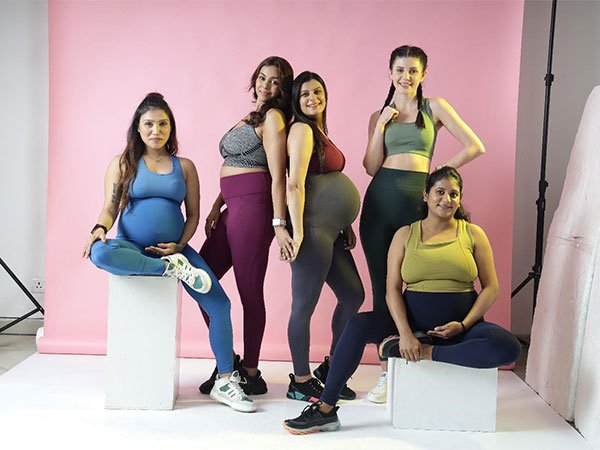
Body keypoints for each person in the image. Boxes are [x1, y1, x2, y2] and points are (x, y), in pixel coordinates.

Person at [283, 167, 521, 434]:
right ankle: (326, 410)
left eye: (454, 194)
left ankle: (429, 351)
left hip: (461, 327)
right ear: (426, 195)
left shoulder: (473, 234)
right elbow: (393, 290)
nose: (447, 199)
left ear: (460, 199)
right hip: (411, 324)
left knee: (508, 346)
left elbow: (491, 288)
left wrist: (463, 325)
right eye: (440, 192)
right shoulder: (405, 234)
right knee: (357, 324)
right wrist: (406, 334)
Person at [83, 92, 256, 413]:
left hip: (177, 250)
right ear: (137, 128)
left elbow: (193, 215)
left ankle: (224, 380)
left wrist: (178, 245)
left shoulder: (185, 167)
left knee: (220, 304)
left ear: (171, 128)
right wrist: (99, 228)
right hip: (132, 246)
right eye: (149, 124)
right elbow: (110, 207)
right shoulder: (123, 164)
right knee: (100, 253)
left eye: (163, 124)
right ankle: (166, 269)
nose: (156, 130)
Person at [360, 45, 486, 403]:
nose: (406, 76)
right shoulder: (379, 115)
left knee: (417, 284)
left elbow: (475, 145)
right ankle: (386, 372)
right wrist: (380, 126)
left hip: (417, 202)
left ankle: (419, 365)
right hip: (379, 202)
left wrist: (437, 175)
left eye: (413, 70)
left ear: (423, 74)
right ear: (390, 73)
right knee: (383, 287)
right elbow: (369, 167)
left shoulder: (435, 107)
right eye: (400, 70)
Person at [198, 56, 296, 395]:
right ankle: (227, 359)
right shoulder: (252, 117)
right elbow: (235, 163)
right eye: (262, 78)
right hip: (232, 208)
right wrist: (217, 204)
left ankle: (250, 371)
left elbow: (277, 175)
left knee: (249, 292)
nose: (266, 85)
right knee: (200, 278)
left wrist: (279, 224)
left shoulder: (274, 118)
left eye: (275, 81)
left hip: (254, 209)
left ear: (283, 88)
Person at [285, 71, 364, 403]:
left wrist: (345, 222)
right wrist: (297, 231)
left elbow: (328, 181)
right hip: (313, 230)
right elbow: (295, 183)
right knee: (304, 306)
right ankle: (301, 381)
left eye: (317, 91)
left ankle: (331, 368)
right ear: (296, 100)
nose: (312, 98)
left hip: (331, 230)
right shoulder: (301, 129)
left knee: (353, 295)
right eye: (304, 94)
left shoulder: (318, 131)